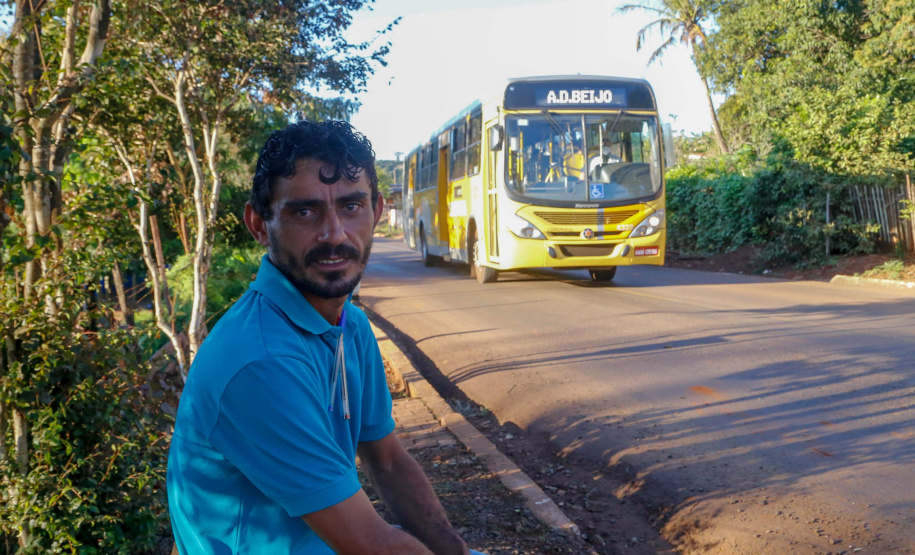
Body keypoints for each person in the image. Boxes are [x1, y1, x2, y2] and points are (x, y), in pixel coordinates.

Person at [167, 120, 481, 554]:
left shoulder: (349, 326)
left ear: (378, 209)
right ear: (260, 224)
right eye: (304, 211)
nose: (334, 233)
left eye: (351, 207)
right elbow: (371, 545)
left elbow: (387, 462)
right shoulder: (260, 361)